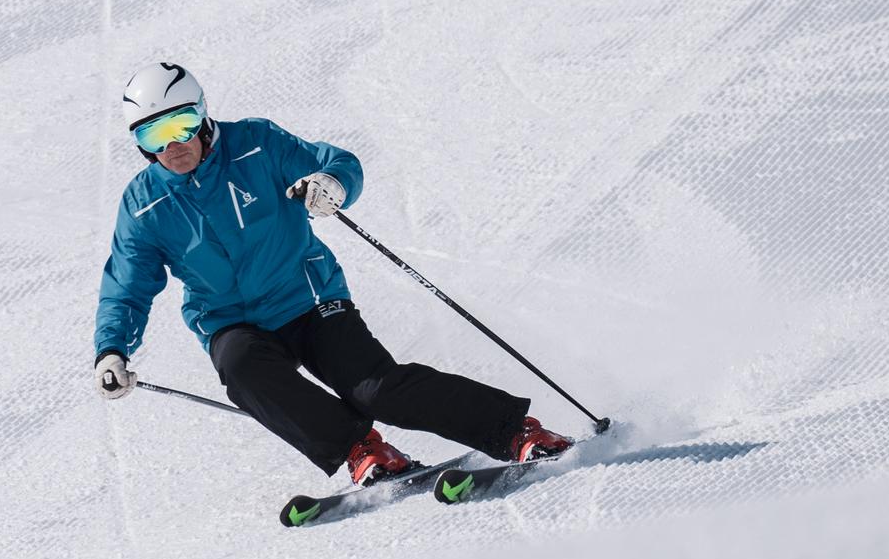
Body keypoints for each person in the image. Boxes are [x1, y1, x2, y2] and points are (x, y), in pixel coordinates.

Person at [92, 61, 576, 487]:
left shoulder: (257, 144)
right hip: (232, 323)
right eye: (152, 135)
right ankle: (361, 449)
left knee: (377, 389)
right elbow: (126, 286)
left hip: (309, 299)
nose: (173, 146)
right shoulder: (143, 206)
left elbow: (339, 163)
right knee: (240, 369)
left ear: (201, 115)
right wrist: (111, 350)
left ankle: (515, 432)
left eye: (181, 124)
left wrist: (332, 183)